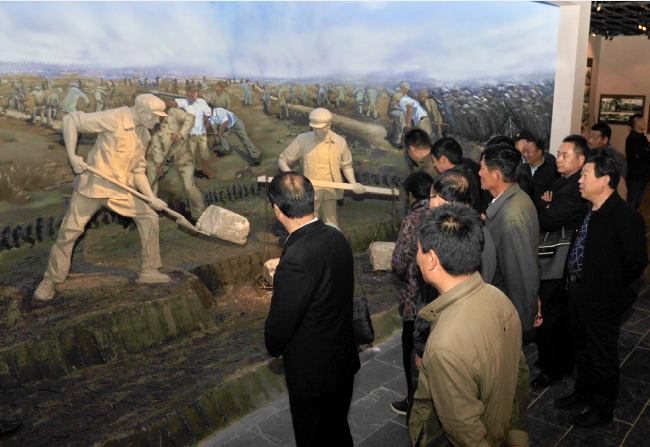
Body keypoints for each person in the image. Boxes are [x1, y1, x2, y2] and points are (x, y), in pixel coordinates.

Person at [409, 204, 529, 447]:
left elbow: (465, 434)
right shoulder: (500, 299)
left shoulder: (445, 346)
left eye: (419, 250)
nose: (416, 258)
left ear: (432, 260)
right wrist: (517, 433)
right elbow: (519, 376)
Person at [33, 94, 171, 301]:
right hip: (93, 186)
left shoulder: (144, 134)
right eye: (155, 116)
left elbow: (137, 170)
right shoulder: (114, 118)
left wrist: (150, 197)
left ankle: (149, 271)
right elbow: (71, 119)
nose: (158, 120)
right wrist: (72, 156)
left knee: (149, 217)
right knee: (69, 233)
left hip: (119, 191)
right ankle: (50, 281)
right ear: (142, 111)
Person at [264, 172, 360, 447]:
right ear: (314, 198)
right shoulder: (336, 236)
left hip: (312, 373)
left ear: (277, 210)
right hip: (342, 359)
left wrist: (272, 345)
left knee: (313, 438)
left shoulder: (296, 257)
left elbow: (282, 322)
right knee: (338, 431)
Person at [554, 155, 648, 427]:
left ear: (604, 180)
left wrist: (611, 296)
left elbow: (635, 265)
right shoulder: (589, 209)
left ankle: (602, 410)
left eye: (585, 174)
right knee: (582, 350)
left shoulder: (626, 218)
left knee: (602, 357)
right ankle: (582, 393)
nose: (579, 180)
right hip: (577, 294)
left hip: (602, 302)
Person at [531, 135, 588, 389]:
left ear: (581, 160)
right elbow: (545, 207)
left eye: (565, 155)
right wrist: (547, 205)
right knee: (557, 314)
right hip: (557, 255)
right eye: (559, 154)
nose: (559, 159)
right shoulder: (563, 181)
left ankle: (551, 367)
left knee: (551, 314)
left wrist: (547, 205)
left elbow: (548, 219)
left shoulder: (577, 188)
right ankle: (558, 361)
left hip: (561, 259)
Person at [480, 144, 540, 333]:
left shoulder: (511, 217)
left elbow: (520, 277)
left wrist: (520, 324)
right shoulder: (513, 199)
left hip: (504, 315)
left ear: (496, 175)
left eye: (482, 168)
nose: (479, 173)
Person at [390, 170, 434, 416]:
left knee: (412, 347)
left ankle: (413, 401)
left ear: (411, 195)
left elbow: (398, 262)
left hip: (415, 298)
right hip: (439, 296)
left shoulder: (412, 220)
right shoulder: (442, 213)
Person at [278, 108, 364, 226]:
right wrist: (291, 178)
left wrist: (353, 183)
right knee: (310, 225)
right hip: (311, 192)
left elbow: (347, 166)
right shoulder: (302, 140)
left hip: (331, 191)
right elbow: (282, 159)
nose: (317, 131)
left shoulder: (340, 142)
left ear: (329, 125)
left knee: (332, 225)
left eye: (321, 128)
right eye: (314, 128)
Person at [146, 106, 205, 222]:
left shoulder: (173, 113)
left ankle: (199, 214)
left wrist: (181, 133)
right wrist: (159, 163)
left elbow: (190, 118)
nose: (156, 119)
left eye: (158, 116)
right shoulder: (153, 125)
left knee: (189, 186)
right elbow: (156, 146)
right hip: (165, 157)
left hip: (182, 157)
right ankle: (151, 210)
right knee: (151, 172)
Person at [161, 85, 214, 179]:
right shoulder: (185, 102)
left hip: (201, 133)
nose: (193, 94)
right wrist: (159, 102)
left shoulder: (202, 102)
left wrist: (201, 122)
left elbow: (209, 113)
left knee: (204, 153)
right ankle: (192, 172)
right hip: (190, 134)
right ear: (188, 92)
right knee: (190, 154)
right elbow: (173, 103)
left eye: (195, 92)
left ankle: (205, 170)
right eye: (191, 92)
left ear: (198, 92)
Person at [430, 136, 481, 212]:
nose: (434, 165)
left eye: (434, 161)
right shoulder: (472, 167)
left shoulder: (449, 182)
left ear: (443, 159)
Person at [588, 122, 628, 200]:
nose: (590, 141)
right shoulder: (591, 152)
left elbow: (620, 184)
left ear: (605, 140)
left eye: (594, 138)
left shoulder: (615, 156)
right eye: (590, 137)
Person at [521, 138, 559, 211]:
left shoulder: (552, 172)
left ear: (539, 152)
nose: (524, 154)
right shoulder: (521, 169)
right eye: (524, 151)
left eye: (528, 152)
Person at [625, 114, 650, 210]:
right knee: (632, 202)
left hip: (643, 176)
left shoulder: (642, 137)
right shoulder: (632, 138)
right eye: (643, 121)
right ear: (638, 123)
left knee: (637, 202)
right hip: (635, 176)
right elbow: (643, 154)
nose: (645, 123)